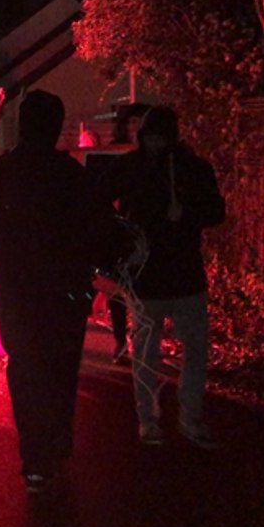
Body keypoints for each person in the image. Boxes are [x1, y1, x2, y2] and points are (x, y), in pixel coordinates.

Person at [0, 89, 106, 493]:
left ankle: (35, 456)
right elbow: (92, 230)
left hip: (15, 291)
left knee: (25, 371)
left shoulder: (2, 171)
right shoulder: (69, 173)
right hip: (63, 293)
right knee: (59, 370)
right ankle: (54, 443)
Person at [97, 105, 225, 448]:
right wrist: (124, 236)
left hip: (178, 275)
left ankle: (186, 417)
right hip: (155, 277)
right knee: (148, 351)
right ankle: (152, 419)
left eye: (159, 138)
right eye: (150, 138)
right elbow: (99, 200)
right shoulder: (134, 167)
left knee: (188, 349)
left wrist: (188, 214)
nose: (154, 144)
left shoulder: (189, 169)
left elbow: (216, 211)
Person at [91, 102, 151, 362]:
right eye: (132, 122)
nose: (135, 128)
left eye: (140, 123)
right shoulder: (116, 154)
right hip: (122, 231)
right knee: (118, 287)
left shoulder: (156, 159)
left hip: (147, 229)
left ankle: (141, 339)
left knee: (141, 288)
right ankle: (120, 340)